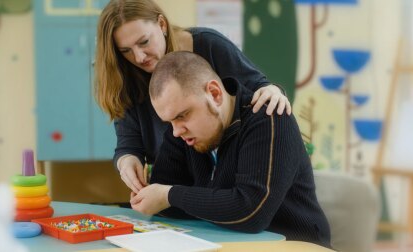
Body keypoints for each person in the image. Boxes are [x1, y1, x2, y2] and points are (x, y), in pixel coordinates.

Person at [129, 51, 331, 247]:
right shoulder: (183, 132)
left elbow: (251, 213)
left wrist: (169, 195)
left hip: (297, 245)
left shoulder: (268, 116)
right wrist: (155, 197)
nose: (175, 131)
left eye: (183, 115)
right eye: (170, 121)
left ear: (215, 94)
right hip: (228, 244)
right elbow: (167, 204)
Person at [94, 0, 292, 194]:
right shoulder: (124, 75)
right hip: (175, 184)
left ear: (162, 24)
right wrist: (127, 160)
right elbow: (128, 145)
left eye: (144, 42)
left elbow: (258, 88)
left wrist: (273, 91)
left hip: (227, 183)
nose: (139, 57)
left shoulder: (209, 44)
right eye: (125, 51)